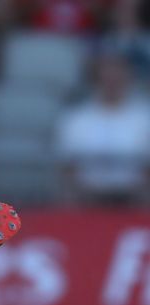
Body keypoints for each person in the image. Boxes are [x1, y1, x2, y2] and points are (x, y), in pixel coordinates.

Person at [56, 47, 150, 205]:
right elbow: (67, 165)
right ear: (96, 79)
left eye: (117, 76)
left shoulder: (145, 117)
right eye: (106, 77)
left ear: (128, 78)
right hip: (86, 198)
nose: (111, 82)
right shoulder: (76, 118)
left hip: (135, 199)